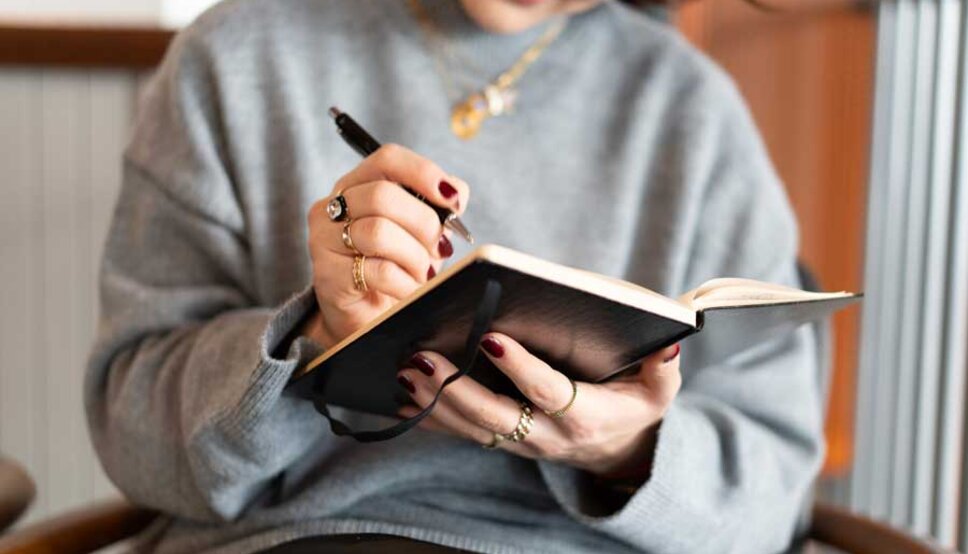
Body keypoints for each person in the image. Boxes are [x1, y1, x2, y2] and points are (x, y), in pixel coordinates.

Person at [84, 0, 825, 552]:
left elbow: (772, 497)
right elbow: (135, 437)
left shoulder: (694, 110)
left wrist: (623, 453)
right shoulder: (236, 56)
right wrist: (313, 335)